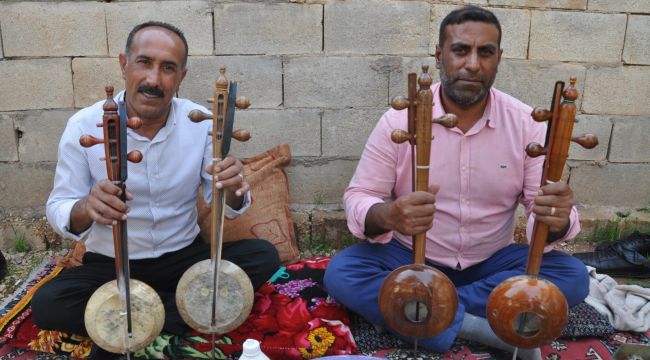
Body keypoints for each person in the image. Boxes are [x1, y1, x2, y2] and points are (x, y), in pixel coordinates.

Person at [323, 6, 589, 360]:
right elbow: (360, 196)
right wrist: (390, 215)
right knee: (343, 272)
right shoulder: (399, 121)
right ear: (440, 56)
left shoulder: (526, 123)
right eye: (461, 50)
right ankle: (484, 323)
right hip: (411, 258)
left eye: (486, 52)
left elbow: (543, 216)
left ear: (498, 59)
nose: (473, 65)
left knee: (572, 275)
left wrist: (558, 219)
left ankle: (416, 311)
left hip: (491, 260)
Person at [32, 21, 280, 340]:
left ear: (181, 77)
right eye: (144, 63)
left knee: (263, 256)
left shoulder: (200, 122)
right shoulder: (84, 126)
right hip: (111, 265)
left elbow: (227, 206)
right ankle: (186, 313)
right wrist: (86, 206)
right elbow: (59, 207)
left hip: (183, 260)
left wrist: (233, 189)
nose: (153, 79)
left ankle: (135, 319)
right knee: (48, 304)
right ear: (124, 65)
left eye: (168, 68)